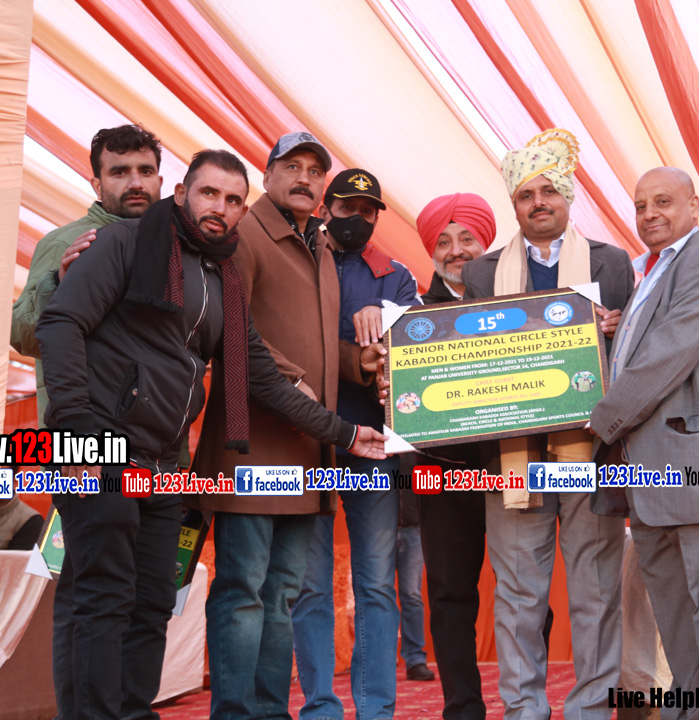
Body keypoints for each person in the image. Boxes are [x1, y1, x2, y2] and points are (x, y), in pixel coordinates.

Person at [36, 149, 386, 720]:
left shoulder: (224, 278)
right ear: (181, 194)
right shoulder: (126, 242)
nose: (219, 208)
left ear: (242, 209)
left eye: (231, 200)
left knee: (153, 600)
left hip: (163, 461)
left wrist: (346, 434)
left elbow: (260, 377)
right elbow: (60, 322)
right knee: (104, 596)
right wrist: (77, 433)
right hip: (98, 448)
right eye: (208, 193)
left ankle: (133, 712)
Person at [189, 134, 385, 719]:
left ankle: (272, 711)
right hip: (251, 452)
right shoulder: (246, 235)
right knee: (243, 593)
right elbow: (241, 345)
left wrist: (358, 361)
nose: (304, 178)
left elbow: (313, 344)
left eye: (314, 171)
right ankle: (235, 713)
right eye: (292, 166)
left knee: (280, 597)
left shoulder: (318, 244)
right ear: (267, 175)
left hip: (306, 457)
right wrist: (309, 396)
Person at [461, 129, 633, 720]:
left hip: (594, 452)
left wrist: (618, 331)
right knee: (518, 597)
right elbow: (470, 359)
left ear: (567, 195)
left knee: (596, 591)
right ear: (514, 205)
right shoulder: (482, 273)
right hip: (513, 456)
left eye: (549, 191)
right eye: (525, 195)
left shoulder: (614, 263)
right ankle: (523, 710)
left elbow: (638, 353)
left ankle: (592, 709)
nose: (538, 202)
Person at [589, 167, 699, 719]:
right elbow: (636, 355)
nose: (650, 214)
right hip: (646, 476)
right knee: (677, 622)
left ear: (693, 206)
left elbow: (670, 354)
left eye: (662, 201)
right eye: (641, 206)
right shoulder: (650, 272)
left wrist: (599, 420)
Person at [292, 168, 419, 720]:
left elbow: (419, 351)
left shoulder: (396, 276)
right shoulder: (299, 259)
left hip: (371, 449)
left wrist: (388, 318)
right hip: (306, 444)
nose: (357, 219)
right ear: (326, 208)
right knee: (310, 588)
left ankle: (376, 710)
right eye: (347, 207)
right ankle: (320, 707)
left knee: (375, 585)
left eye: (368, 212)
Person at [12, 124, 163, 426]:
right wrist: (57, 285)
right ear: (97, 185)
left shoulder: (173, 248)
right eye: (119, 172)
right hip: (84, 434)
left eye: (145, 171)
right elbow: (22, 336)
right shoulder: (67, 242)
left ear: (159, 180)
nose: (136, 183)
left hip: (159, 439)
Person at [412, 192, 497, 718]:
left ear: (487, 242)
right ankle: (462, 708)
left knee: (526, 590)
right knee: (449, 595)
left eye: (467, 238)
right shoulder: (411, 317)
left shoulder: (520, 303)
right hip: (441, 473)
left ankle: (528, 702)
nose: (456, 250)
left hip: (511, 465)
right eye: (443, 242)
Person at [395, 486, 434, 681]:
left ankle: (415, 659)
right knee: (377, 594)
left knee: (412, 595)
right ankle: (379, 660)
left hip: (414, 526)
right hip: (377, 527)